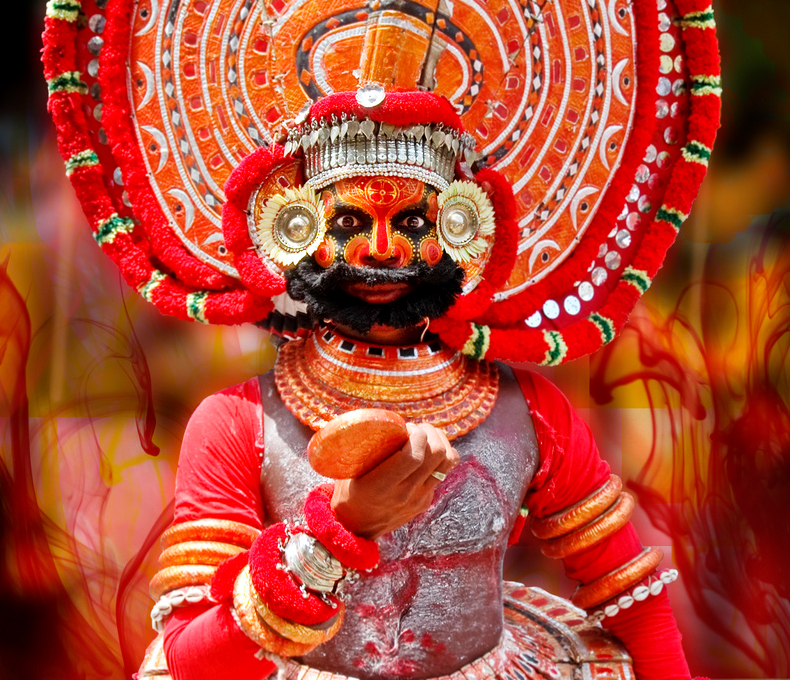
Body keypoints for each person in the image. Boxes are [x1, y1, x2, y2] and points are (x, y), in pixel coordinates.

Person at [41, 0, 721, 678]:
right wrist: (337, 531)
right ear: (294, 225)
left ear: (464, 223)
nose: (382, 251)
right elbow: (195, 661)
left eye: (414, 224)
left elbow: (631, 600)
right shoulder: (238, 424)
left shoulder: (530, 412)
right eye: (346, 226)